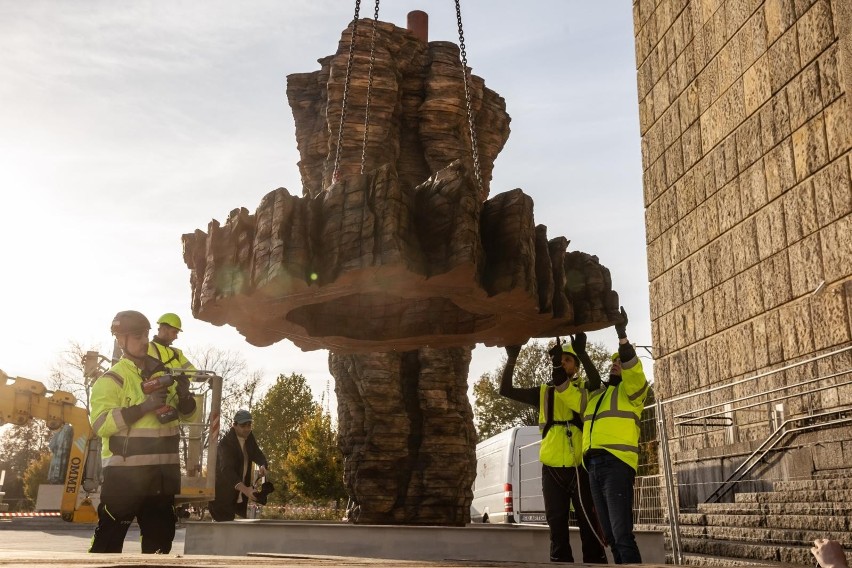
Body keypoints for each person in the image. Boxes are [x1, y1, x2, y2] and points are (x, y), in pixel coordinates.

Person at [88, 310, 197, 553]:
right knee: (107, 544)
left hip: (162, 478)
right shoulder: (111, 379)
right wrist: (144, 407)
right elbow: (101, 424)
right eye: (137, 337)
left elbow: (188, 415)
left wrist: (184, 395)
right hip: (124, 478)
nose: (144, 341)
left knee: (160, 547)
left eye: (146, 335)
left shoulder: (164, 376)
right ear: (121, 340)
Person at [500, 333, 607, 564]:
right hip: (551, 466)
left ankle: (595, 561)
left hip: (578, 466)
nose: (563, 362)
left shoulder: (584, 389)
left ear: (576, 367)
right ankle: (560, 562)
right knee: (556, 524)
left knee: (588, 521)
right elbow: (506, 390)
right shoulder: (543, 392)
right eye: (561, 359)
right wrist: (512, 359)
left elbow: (597, 380)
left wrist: (582, 353)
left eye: (568, 360)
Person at [582, 307, 649, 564]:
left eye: (619, 363)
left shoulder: (632, 394)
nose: (616, 365)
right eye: (614, 362)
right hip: (594, 468)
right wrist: (580, 354)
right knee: (609, 535)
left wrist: (622, 336)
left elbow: (633, 368)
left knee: (622, 534)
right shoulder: (598, 396)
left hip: (616, 465)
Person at [209, 409, 270, 522]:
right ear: (234, 425)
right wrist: (246, 490)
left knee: (229, 532)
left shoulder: (249, 438)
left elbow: (257, 454)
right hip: (222, 496)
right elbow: (227, 471)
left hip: (235, 495)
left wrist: (263, 465)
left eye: (249, 425)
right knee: (222, 532)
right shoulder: (225, 443)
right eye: (243, 425)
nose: (247, 429)